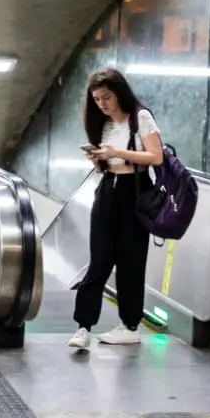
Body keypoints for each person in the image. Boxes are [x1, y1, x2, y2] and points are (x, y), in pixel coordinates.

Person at [69, 67, 165, 349]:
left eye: (106, 97)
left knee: (130, 263)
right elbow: (109, 160)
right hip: (107, 190)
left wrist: (116, 153)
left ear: (119, 93)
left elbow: (155, 156)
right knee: (98, 261)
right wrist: (99, 158)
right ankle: (83, 326)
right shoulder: (105, 123)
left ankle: (130, 324)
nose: (102, 104)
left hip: (134, 193)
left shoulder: (140, 117)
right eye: (97, 99)